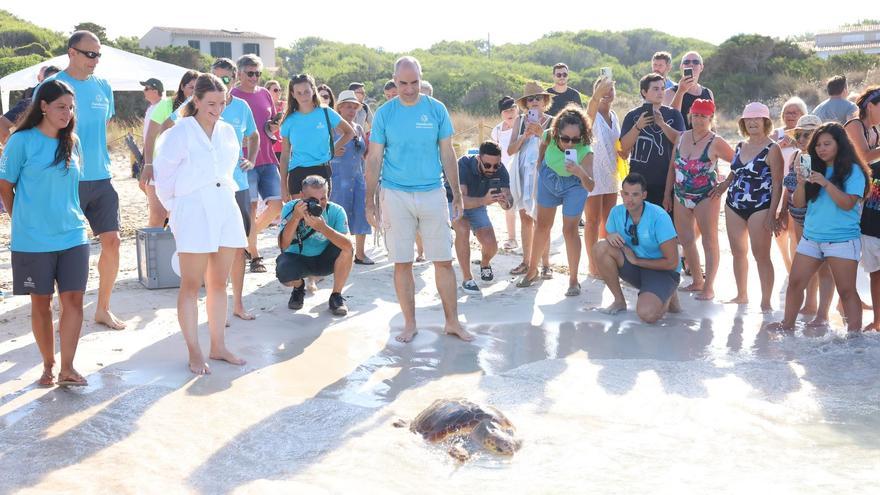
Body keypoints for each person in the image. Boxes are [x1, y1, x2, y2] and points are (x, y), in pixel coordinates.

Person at [365, 55, 473, 343]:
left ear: (421, 79)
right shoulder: (385, 114)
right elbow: (374, 158)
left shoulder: (436, 109)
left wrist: (457, 193)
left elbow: (448, 153)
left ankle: (452, 322)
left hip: (432, 192)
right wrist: (369, 200)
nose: (409, 89)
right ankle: (409, 324)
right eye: (403, 83)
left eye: (414, 83)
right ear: (395, 80)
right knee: (403, 262)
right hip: (395, 193)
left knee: (443, 260)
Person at [153, 73, 247, 375]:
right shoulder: (179, 132)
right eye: (211, 103)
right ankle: (195, 351)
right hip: (192, 208)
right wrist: (177, 210)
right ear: (195, 100)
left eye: (222, 103)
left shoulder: (229, 132)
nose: (217, 109)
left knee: (220, 282)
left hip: (225, 207)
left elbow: (228, 170)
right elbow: (163, 179)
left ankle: (218, 345)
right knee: (192, 284)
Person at [0, 80, 90, 387]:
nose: (67, 113)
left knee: (74, 300)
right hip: (33, 239)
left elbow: (73, 188)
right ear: (43, 106)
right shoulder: (21, 141)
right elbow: (5, 186)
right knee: (41, 303)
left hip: (73, 235)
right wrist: (21, 219)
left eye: (71, 108)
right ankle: (48, 363)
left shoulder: (74, 142)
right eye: (60, 107)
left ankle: (68, 366)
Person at [43, 31, 125, 330]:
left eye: (98, 54)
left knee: (113, 242)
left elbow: (102, 128)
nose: (95, 60)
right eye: (89, 54)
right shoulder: (51, 87)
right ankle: (56, 306)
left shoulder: (104, 86)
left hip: (101, 177)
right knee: (62, 246)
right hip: (65, 178)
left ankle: (102, 308)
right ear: (71, 53)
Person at [772, 123, 868, 333]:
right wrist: (801, 183)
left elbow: (847, 204)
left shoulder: (853, 171)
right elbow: (798, 204)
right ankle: (787, 325)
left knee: (846, 291)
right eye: (818, 145)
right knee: (795, 283)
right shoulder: (815, 169)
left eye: (827, 144)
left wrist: (825, 183)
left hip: (842, 239)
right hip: (812, 237)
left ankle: (854, 337)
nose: (821, 149)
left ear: (840, 144)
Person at [515, 105, 595, 297]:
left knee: (570, 230)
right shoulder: (549, 135)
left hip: (575, 184)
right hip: (549, 179)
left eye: (575, 139)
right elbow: (542, 145)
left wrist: (579, 171)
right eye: (565, 138)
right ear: (557, 131)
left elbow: (590, 185)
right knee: (542, 226)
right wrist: (541, 164)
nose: (569, 143)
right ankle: (532, 270)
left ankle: (573, 280)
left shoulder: (585, 150)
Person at [663, 98, 734, 300]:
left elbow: (740, 162)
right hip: (680, 194)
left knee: (709, 241)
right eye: (695, 115)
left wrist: (725, 184)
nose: (699, 120)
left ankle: (709, 287)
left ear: (711, 118)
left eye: (703, 116)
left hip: (706, 196)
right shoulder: (682, 137)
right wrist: (668, 194)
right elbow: (672, 168)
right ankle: (697, 281)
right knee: (686, 240)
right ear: (690, 116)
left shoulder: (716, 141)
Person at [717, 102, 784, 310]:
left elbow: (777, 183)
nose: (753, 122)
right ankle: (741, 295)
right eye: (749, 119)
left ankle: (766, 301)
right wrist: (723, 186)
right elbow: (736, 171)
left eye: (757, 118)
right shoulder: (739, 145)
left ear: (766, 122)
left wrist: (773, 214)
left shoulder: (773, 149)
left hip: (761, 205)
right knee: (738, 252)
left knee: (761, 255)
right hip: (733, 203)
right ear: (743, 123)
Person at [593, 173, 681, 323]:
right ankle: (619, 301)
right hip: (635, 267)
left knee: (648, 315)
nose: (629, 199)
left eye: (635, 194)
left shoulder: (659, 216)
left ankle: (668, 294)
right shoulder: (616, 212)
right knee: (600, 247)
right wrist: (610, 236)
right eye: (626, 194)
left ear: (644, 195)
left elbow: (672, 263)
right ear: (621, 194)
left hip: (663, 271)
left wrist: (637, 261)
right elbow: (609, 234)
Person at [212, 58, 259, 322]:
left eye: (226, 79)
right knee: (213, 247)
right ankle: (215, 304)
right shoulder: (200, 106)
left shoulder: (241, 107)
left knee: (239, 246)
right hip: (210, 188)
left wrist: (251, 158)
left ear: (235, 78)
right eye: (217, 78)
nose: (222, 84)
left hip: (238, 185)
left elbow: (254, 135)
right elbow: (169, 127)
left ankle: (238, 304)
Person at [780, 115, 834, 324]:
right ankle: (810, 303)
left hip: (818, 219)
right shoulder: (796, 156)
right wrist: (783, 210)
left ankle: (822, 312)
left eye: (807, 135)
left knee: (824, 267)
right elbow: (789, 185)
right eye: (799, 134)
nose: (802, 139)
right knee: (807, 264)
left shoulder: (824, 160)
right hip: (797, 216)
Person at [231, 54, 281, 274]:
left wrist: (273, 126)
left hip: (268, 156)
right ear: (239, 73)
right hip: (243, 160)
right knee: (250, 207)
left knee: (277, 205)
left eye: (258, 73)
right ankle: (255, 254)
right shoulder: (231, 96)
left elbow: (268, 125)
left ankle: (248, 239)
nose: (254, 77)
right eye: (250, 73)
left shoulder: (265, 94)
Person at [277, 175, 353, 315]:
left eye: (323, 198)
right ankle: (299, 287)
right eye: (313, 200)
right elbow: (283, 245)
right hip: (298, 259)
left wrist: (323, 228)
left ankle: (336, 295)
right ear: (302, 196)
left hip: (324, 260)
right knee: (284, 272)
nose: (319, 204)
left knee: (345, 247)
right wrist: (295, 218)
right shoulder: (290, 208)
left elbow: (348, 246)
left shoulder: (336, 211)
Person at [448, 141, 513, 295]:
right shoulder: (463, 164)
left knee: (491, 245)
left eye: (495, 165)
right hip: (454, 202)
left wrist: (505, 202)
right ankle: (467, 279)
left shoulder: (501, 170)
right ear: (478, 159)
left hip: (478, 204)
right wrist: (484, 200)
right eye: (487, 165)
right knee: (463, 230)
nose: (492, 169)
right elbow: (461, 200)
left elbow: (509, 202)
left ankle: (484, 264)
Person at [280, 73, 355, 200]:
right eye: (299, 93)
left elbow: (349, 132)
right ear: (292, 94)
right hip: (297, 172)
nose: (303, 96)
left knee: (319, 217)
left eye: (306, 91)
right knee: (301, 217)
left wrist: (332, 149)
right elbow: (285, 154)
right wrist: (283, 186)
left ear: (314, 90)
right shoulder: (289, 120)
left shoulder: (325, 112)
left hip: (321, 171)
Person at [141, 70, 199, 228]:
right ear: (182, 86)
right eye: (190, 87)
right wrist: (148, 164)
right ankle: (152, 251)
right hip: (159, 166)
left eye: (197, 88)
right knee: (158, 215)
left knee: (180, 216)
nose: (194, 92)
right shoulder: (166, 105)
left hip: (185, 169)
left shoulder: (202, 109)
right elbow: (151, 136)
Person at [507, 81, 554, 277]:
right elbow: (510, 150)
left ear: (545, 101)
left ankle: (545, 263)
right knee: (525, 216)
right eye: (530, 99)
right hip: (523, 172)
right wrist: (525, 136)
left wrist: (540, 133)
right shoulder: (519, 121)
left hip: (543, 172)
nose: (534, 102)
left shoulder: (553, 121)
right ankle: (526, 261)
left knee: (543, 220)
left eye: (538, 98)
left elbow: (557, 146)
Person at [620, 73, 686, 207]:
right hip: (638, 182)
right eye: (655, 89)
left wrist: (662, 124)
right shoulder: (632, 116)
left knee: (665, 224)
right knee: (639, 224)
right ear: (644, 92)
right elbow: (624, 147)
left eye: (662, 88)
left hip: (666, 181)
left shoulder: (674, 114)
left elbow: (681, 143)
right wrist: (638, 126)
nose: (661, 92)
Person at [848, 86, 880, 330]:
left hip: (866, 198)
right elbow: (864, 157)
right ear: (871, 105)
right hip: (848, 198)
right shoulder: (854, 126)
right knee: (849, 257)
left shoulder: (874, 129)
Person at [584, 77, 622, 277]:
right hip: (593, 172)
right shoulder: (591, 114)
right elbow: (590, 108)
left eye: (611, 89)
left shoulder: (615, 116)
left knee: (608, 222)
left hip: (612, 174)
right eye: (603, 89)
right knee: (592, 221)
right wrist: (597, 93)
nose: (608, 93)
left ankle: (604, 260)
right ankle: (593, 265)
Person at [331, 90, 372, 265]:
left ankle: (360, 254)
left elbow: (366, 153)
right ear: (339, 108)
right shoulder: (332, 128)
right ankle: (336, 254)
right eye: (348, 106)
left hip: (357, 177)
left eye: (354, 107)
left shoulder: (358, 127)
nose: (352, 110)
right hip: (338, 177)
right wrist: (331, 151)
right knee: (338, 215)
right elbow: (320, 151)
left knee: (361, 214)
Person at [772, 96, 809, 272]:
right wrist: (780, 145)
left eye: (795, 112)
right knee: (779, 233)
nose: (791, 115)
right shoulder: (777, 133)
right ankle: (788, 265)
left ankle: (795, 268)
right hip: (777, 187)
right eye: (787, 112)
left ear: (803, 114)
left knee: (795, 232)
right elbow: (763, 154)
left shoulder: (807, 135)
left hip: (797, 189)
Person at [0, 65, 61, 144]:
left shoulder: (68, 107)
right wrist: (13, 149)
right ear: (42, 82)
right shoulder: (31, 104)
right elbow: (2, 124)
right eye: (51, 83)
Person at [490, 95, 520, 250]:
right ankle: (512, 238)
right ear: (501, 113)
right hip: (505, 173)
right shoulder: (496, 131)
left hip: (522, 170)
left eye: (512, 108)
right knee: (508, 205)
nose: (510, 112)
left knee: (526, 207)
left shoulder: (523, 125)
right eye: (506, 110)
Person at [665, 52, 714, 130]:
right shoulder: (669, 93)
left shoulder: (708, 93)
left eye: (695, 62)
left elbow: (711, 122)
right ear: (681, 67)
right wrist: (680, 92)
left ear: (701, 67)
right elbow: (670, 121)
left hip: (703, 140)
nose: (691, 64)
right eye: (686, 62)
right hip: (680, 140)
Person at [265, 80, 285, 162]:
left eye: (280, 90)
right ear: (267, 91)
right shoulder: (264, 107)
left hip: (285, 147)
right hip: (270, 148)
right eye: (275, 90)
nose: (278, 92)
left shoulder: (286, 105)